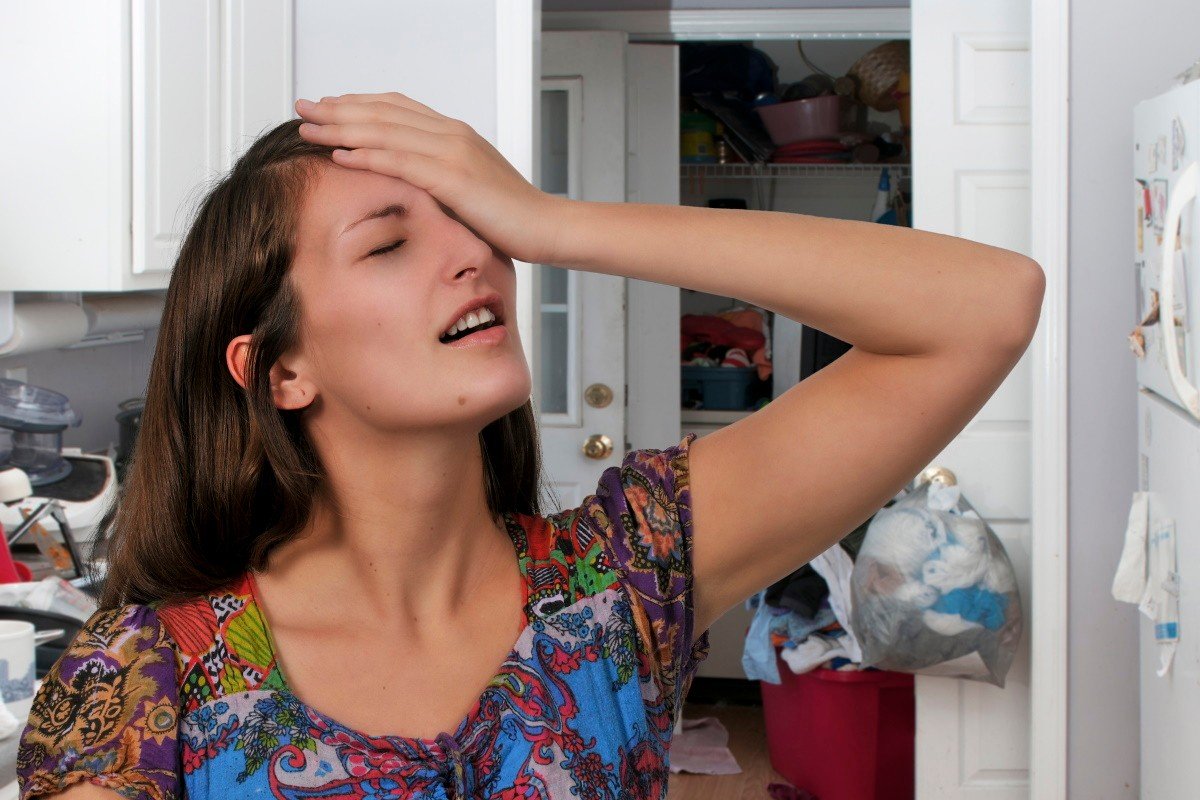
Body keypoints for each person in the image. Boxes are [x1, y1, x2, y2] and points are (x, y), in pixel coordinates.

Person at [14, 92, 1043, 800]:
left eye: (476, 222)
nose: (476, 252)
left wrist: (552, 222)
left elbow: (987, 306)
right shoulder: (147, 684)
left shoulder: (622, 578)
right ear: (280, 371)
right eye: (389, 243)